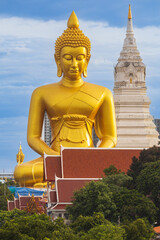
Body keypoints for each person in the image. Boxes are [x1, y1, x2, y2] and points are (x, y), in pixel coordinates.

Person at [14, 11, 117, 187]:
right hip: (56, 157)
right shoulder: (41, 93)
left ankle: (59, 180)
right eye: (68, 58)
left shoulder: (103, 93)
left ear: (88, 60)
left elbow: (110, 137)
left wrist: (95, 156)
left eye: (80, 58)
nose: (74, 64)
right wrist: (58, 158)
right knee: (20, 173)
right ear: (58, 60)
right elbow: (33, 138)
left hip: (89, 158)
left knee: (124, 171)